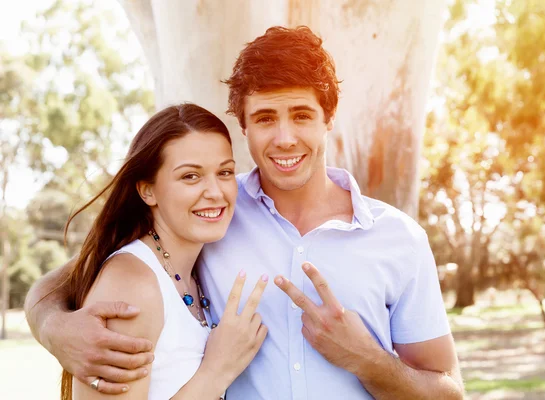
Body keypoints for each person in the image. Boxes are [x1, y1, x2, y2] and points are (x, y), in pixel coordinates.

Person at [26, 26, 464, 399]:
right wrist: (54, 328)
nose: (285, 138)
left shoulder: (398, 238)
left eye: (301, 115)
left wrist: (367, 360)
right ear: (244, 125)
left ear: (328, 118)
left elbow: (448, 389)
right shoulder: (210, 213)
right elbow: (84, 273)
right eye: (266, 118)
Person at [38, 103, 269, 399]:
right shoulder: (132, 285)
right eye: (190, 176)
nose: (215, 192)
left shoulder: (193, 264)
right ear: (148, 190)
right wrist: (216, 373)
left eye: (224, 172)